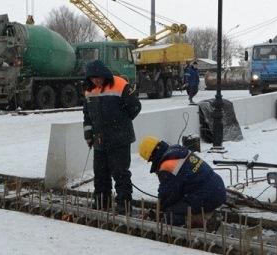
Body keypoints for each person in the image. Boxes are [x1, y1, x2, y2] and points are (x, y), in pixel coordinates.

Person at [83, 60, 142, 214]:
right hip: (99, 140)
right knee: (100, 173)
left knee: (120, 173)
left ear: (104, 74)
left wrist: (120, 124)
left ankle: (123, 204)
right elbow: (87, 116)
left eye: (98, 77)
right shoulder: (89, 90)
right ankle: (102, 201)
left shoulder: (120, 84)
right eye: (92, 78)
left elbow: (135, 107)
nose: (96, 80)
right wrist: (88, 134)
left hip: (119, 139)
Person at [138, 136, 226, 226]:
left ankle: (205, 220)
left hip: (207, 196)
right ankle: (207, 213)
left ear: (151, 157)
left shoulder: (167, 165)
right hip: (218, 188)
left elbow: (168, 196)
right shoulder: (178, 151)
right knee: (181, 202)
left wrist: (159, 211)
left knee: (170, 214)